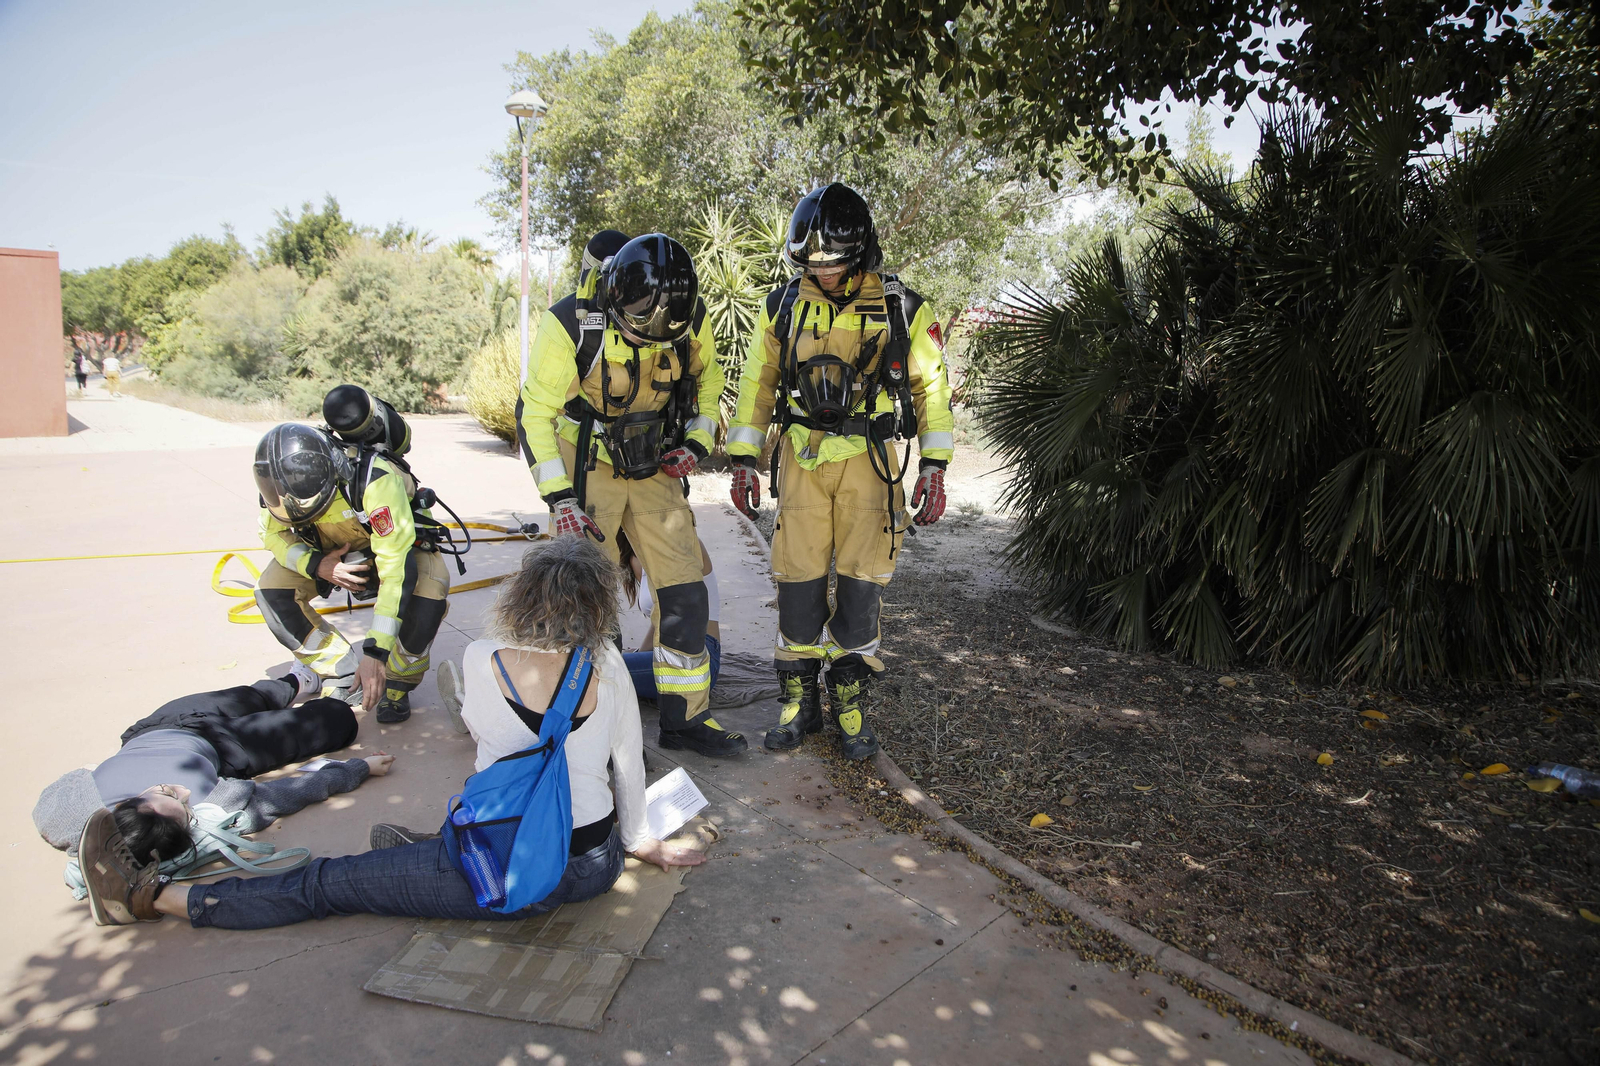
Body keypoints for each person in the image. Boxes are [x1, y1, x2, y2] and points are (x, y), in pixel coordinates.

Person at [75, 537, 704, 929]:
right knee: (437, 838)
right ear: (599, 607)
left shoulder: (485, 659)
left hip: (511, 864)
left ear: (523, 596)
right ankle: (424, 849)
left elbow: (489, 755)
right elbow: (629, 767)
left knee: (329, 883)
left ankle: (151, 899)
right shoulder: (613, 664)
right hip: (591, 865)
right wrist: (640, 842)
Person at [726, 183, 954, 760]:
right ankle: (798, 704)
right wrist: (743, 459)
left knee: (860, 588)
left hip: (869, 466)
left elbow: (932, 389)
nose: (822, 274)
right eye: (811, 264)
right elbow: (758, 384)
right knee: (797, 583)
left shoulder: (903, 307)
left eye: (833, 264)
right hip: (802, 462)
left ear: (860, 254)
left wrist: (934, 466)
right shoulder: (784, 304)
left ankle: (848, 703)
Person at [517, 231, 744, 758]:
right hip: (587, 463)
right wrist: (560, 499)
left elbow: (709, 382)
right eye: (639, 333)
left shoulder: (689, 316)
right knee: (587, 597)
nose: (649, 342)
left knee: (686, 588)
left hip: (654, 461)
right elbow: (533, 413)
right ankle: (596, 729)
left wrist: (695, 440)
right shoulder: (571, 322)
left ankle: (685, 720)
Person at [32, 663, 391, 890]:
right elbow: (293, 792)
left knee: (250, 696)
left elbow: (57, 795)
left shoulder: (73, 817)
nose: (182, 791)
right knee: (337, 718)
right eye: (181, 804)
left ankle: (295, 682)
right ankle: (309, 697)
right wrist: (359, 769)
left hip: (153, 728)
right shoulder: (215, 807)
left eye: (163, 791)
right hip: (226, 748)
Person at [251, 409, 449, 723]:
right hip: (329, 557)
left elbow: (397, 566)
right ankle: (340, 672)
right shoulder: (280, 488)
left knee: (429, 594)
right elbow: (272, 534)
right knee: (270, 591)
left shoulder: (374, 481)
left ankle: (397, 683)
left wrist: (375, 652)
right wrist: (316, 564)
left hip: (396, 549)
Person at [616, 530, 722, 699]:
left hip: (698, 658)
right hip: (668, 653)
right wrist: (639, 654)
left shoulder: (684, 542)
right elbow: (660, 618)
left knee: (600, 674)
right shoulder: (636, 555)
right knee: (605, 666)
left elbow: (673, 609)